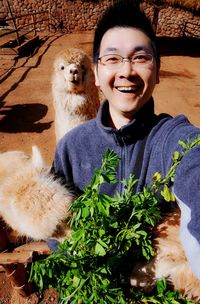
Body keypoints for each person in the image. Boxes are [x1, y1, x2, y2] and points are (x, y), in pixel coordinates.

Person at [52, 0, 200, 278]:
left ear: (157, 70)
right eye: (112, 59)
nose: (126, 71)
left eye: (141, 57)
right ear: (95, 73)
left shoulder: (174, 140)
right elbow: (56, 232)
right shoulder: (71, 150)